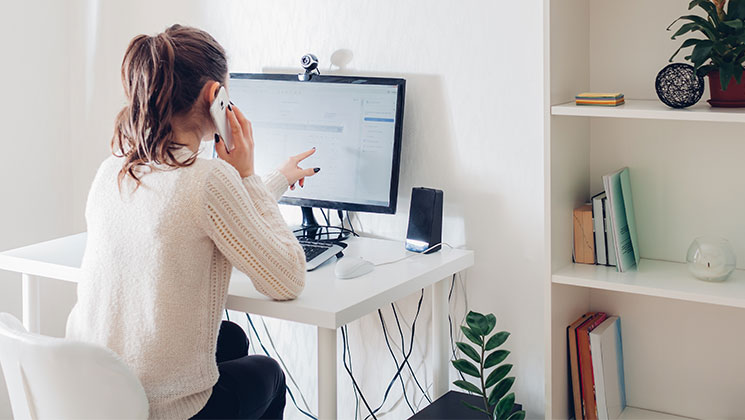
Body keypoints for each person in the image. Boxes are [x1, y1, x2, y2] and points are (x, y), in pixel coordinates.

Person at [65, 24, 316, 419]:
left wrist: (277, 179)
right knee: (268, 374)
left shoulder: (113, 169)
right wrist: (246, 175)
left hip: (99, 397)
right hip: (161, 409)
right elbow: (287, 279)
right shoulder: (209, 179)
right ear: (215, 96)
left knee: (230, 339)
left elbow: (217, 216)